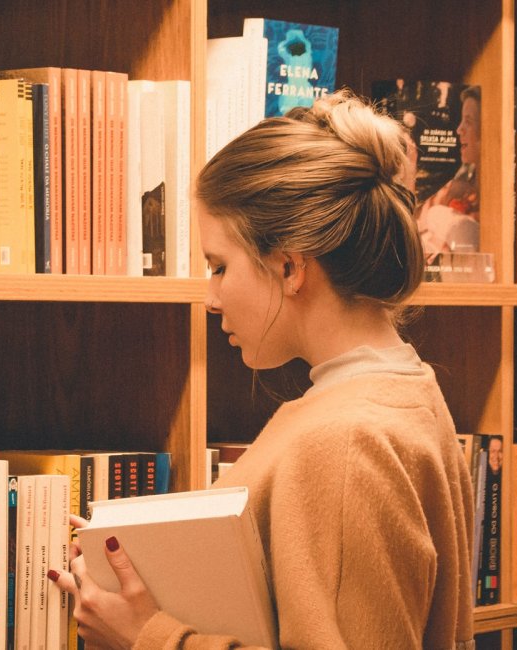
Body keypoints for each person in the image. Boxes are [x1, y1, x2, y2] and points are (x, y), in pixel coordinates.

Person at [48, 89, 475, 649]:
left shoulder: (345, 440)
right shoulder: (406, 387)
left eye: (220, 266)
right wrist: (148, 557)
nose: (211, 298)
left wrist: (148, 636)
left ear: (290, 266)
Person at [417, 86, 480, 260]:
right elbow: (417, 221)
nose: (459, 129)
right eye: (461, 121)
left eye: (468, 121)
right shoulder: (460, 184)